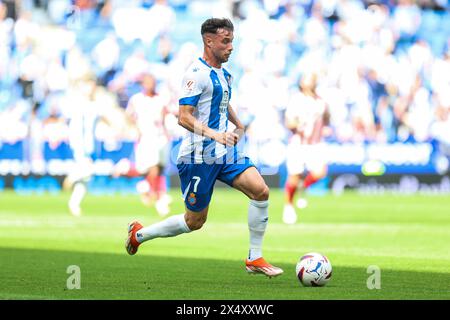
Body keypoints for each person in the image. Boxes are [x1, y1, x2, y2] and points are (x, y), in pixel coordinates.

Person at [125, 18, 283, 278]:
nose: (231, 47)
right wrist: (216, 135)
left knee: (261, 191)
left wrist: (239, 124)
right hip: (199, 156)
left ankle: (255, 257)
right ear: (209, 41)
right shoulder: (195, 75)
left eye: (232, 40)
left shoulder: (225, 74)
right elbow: (183, 117)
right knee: (194, 222)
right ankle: (139, 234)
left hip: (224, 152)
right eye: (225, 41)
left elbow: (223, 103)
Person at [114, 73, 171, 216]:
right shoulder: (136, 99)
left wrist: (165, 132)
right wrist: (136, 128)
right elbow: (128, 115)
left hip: (158, 136)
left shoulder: (160, 99)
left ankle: (148, 188)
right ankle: (153, 193)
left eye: (152, 82)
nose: (149, 85)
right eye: (147, 83)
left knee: (158, 167)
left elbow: (164, 116)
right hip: (145, 137)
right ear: (143, 85)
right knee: (151, 167)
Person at [282, 73, 329, 224]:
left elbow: (326, 118)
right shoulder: (297, 99)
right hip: (298, 144)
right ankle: (288, 206)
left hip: (315, 144)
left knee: (321, 172)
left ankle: (304, 186)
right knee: (294, 178)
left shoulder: (321, 101)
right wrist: (298, 124)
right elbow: (289, 122)